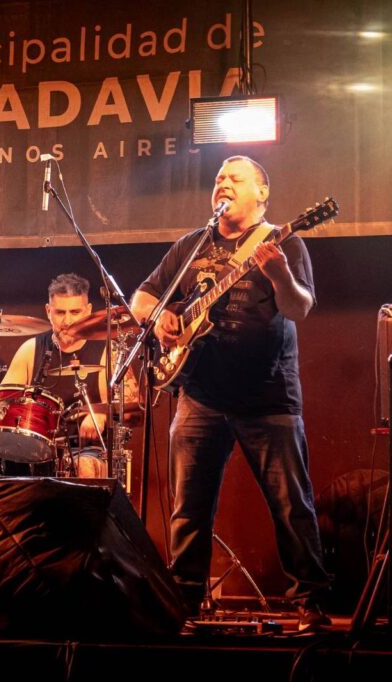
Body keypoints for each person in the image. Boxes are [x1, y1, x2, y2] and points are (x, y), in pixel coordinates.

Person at [130, 156, 331, 630]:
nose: (222, 183)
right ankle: (185, 600)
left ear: (262, 192)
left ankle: (309, 601)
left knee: (291, 505)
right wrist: (158, 317)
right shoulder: (192, 245)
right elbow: (141, 297)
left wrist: (280, 275)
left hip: (269, 396)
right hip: (200, 394)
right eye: (219, 177)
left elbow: (299, 308)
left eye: (235, 178)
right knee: (188, 508)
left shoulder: (284, 241)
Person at [2, 273, 138, 445]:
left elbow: (133, 409)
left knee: (85, 461)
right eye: (60, 312)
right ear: (48, 311)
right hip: (38, 449)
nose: (67, 321)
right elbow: (2, 402)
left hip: (90, 449)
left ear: (88, 311)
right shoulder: (30, 349)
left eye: (75, 312)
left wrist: (101, 414)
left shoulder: (109, 351)